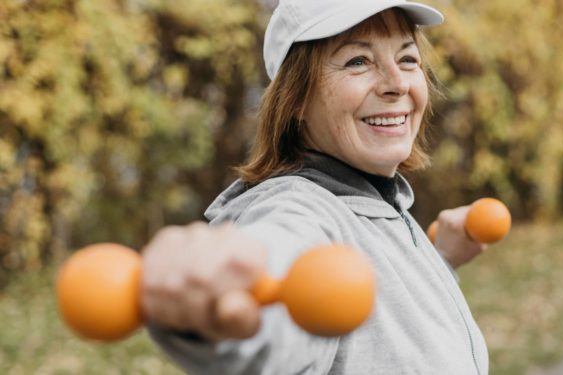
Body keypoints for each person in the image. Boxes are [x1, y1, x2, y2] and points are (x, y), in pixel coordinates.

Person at [143, 0, 489, 374]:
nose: (398, 83)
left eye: (407, 58)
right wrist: (226, 317)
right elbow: (281, 279)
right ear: (297, 99)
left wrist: (439, 261)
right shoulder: (297, 210)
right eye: (358, 61)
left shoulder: (377, 199)